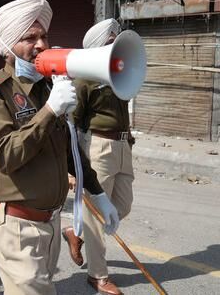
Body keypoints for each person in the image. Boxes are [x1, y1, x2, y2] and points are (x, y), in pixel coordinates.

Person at [0, 0, 120, 295]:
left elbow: (69, 149)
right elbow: (5, 156)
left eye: (44, 36)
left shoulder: (48, 88)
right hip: (16, 227)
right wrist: (49, 112)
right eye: (29, 37)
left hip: (49, 223)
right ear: (8, 46)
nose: (40, 44)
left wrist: (98, 193)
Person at [62, 18, 135, 295]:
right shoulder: (84, 79)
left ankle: (75, 233)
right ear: (99, 46)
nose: (117, 44)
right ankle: (98, 276)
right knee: (95, 214)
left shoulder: (119, 72)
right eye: (112, 40)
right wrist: (74, 169)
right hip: (98, 147)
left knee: (122, 206)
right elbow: (72, 125)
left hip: (122, 146)